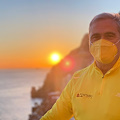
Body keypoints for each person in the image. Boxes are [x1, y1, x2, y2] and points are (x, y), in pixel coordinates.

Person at [40, 13, 120, 120]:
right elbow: (54, 116)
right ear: (89, 42)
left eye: (109, 35)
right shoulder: (77, 78)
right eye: (95, 37)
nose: (101, 42)